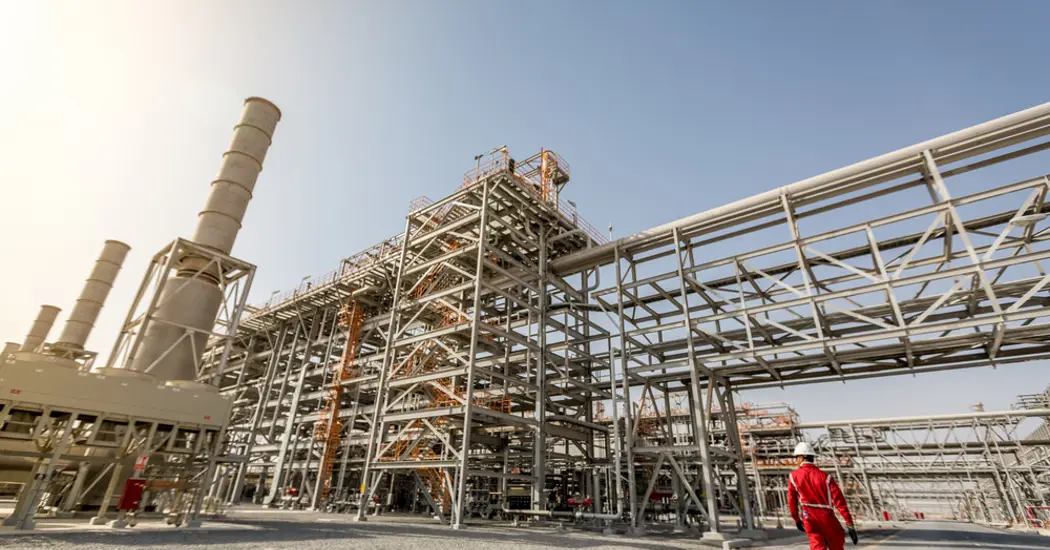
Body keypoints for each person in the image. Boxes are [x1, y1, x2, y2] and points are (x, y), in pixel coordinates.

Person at [788, 442, 858, 550]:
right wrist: (849, 524)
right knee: (836, 544)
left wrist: (797, 519)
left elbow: (791, 500)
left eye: (796, 457)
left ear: (801, 458)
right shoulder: (826, 477)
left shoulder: (793, 476)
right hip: (826, 516)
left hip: (808, 517)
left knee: (817, 545)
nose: (796, 460)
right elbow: (840, 502)